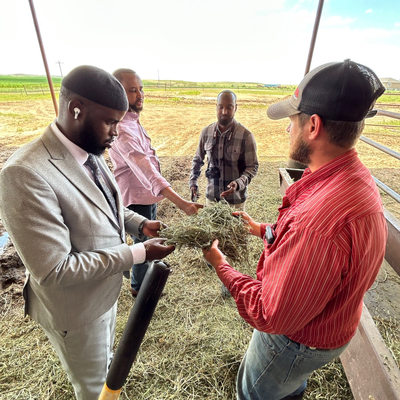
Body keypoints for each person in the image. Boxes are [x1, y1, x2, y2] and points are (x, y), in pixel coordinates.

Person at [202, 59, 388, 400]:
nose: (288, 129)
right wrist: (264, 230)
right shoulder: (353, 179)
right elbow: (321, 252)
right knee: (289, 381)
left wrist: (221, 266)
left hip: (296, 341)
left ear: (313, 126)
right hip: (330, 326)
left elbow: (270, 315)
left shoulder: (317, 223)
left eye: (292, 120)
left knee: (255, 392)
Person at [0, 65, 174, 400]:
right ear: (75, 109)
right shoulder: (25, 174)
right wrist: (139, 253)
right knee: (94, 388)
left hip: (102, 294)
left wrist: (138, 225)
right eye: (110, 122)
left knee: (106, 368)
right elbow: (54, 269)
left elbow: (103, 205)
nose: (116, 132)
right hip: (75, 310)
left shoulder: (88, 151)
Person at [109, 68, 202, 297]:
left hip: (146, 195)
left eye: (141, 89)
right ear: (118, 93)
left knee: (146, 239)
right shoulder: (122, 129)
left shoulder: (132, 121)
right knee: (143, 244)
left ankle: (138, 279)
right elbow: (145, 169)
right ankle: (138, 288)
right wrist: (182, 203)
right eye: (133, 90)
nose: (140, 94)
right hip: (136, 198)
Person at [189, 90, 259, 211]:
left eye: (229, 107)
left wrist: (238, 184)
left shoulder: (245, 136)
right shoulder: (206, 133)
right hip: (212, 200)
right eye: (220, 107)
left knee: (234, 230)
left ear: (235, 108)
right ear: (216, 107)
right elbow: (197, 160)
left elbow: (252, 167)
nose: (224, 112)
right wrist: (193, 182)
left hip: (235, 202)